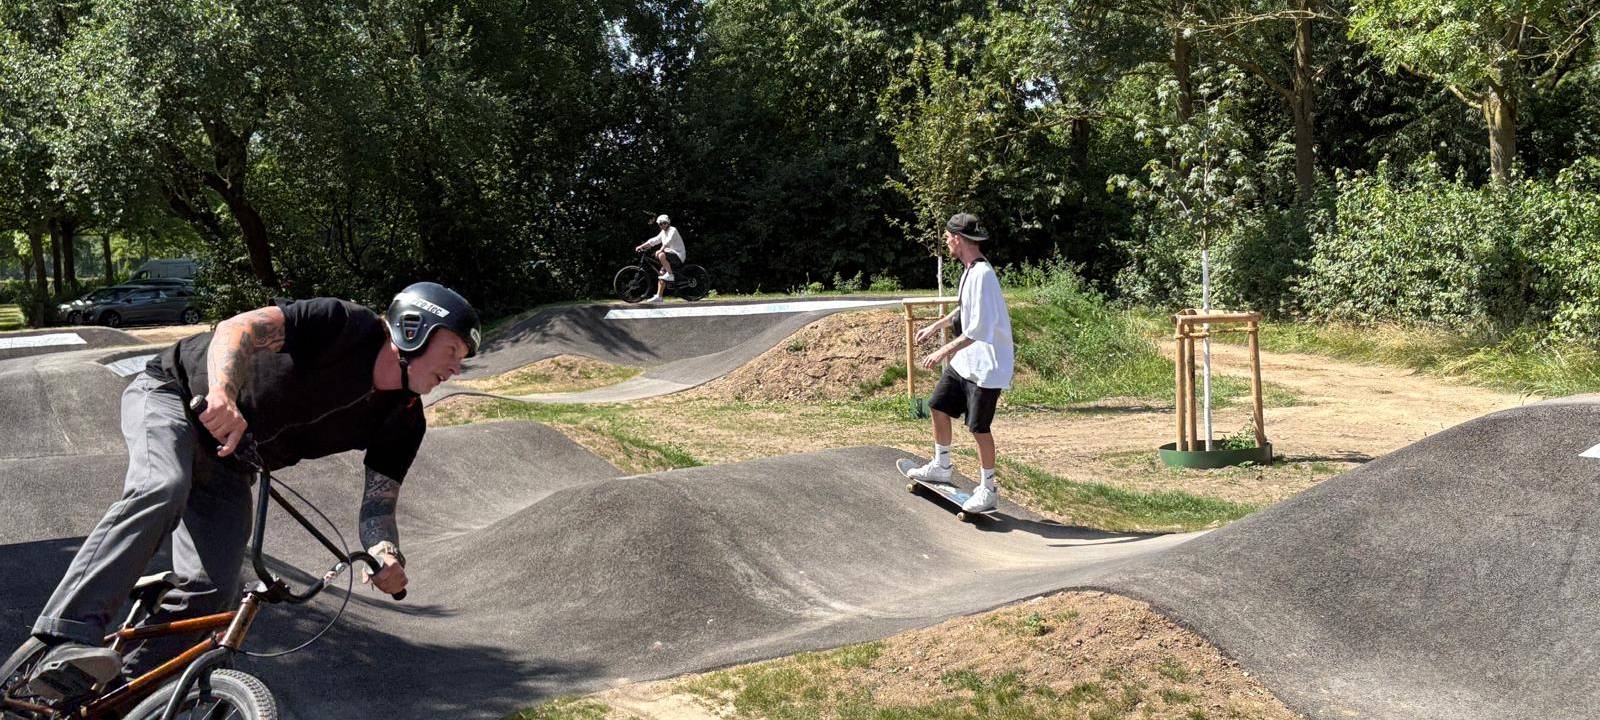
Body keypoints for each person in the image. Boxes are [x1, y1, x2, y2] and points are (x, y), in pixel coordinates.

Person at [15, 282, 480, 702]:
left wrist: (386, 554)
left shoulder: (404, 419)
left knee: (214, 589)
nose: (457, 368)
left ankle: (116, 698)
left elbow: (379, 503)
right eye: (454, 349)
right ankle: (65, 635)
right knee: (163, 486)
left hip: (230, 463)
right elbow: (240, 329)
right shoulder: (345, 325)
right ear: (415, 328)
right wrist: (222, 393)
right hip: (175, 397)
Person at [904, 213, 1014, 513]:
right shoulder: (969, 270)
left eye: (948, 239)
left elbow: (978, 329)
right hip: (967, 362)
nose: (947, 244)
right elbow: (961, 310)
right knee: (938, 405)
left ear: (958, 239)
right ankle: (941, 465)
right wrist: (936, 326)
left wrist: (941, 353)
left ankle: (988, 490)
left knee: (979, 428)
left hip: (987, 368)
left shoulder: (983, 275)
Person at [634, 214, 688, 303]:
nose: (662, 225)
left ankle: (670, 275)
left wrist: (660, 250)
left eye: (664, 223)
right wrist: (641, 246)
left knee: (660, 255)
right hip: (670, 255)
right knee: (662, 273)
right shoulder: (663, 232)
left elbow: (667, 241)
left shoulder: (672, 230)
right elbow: (654, 240)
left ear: (668, 223)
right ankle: (659, 296)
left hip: (678, 255)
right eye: (660, 224)